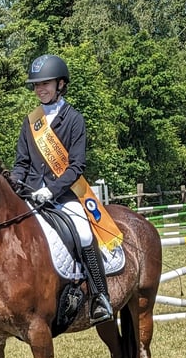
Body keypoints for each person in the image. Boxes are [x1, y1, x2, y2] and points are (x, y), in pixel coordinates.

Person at [10, 54, 113, 325]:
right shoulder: (30, 121)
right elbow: (21, 163)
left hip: (64, 194)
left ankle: (100, 297)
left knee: (83, 233)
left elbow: (76, 166)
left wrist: (52, 190)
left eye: (46, 83)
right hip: (30, 194)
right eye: (36, 85)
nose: (40, 89)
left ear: (61, 84)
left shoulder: (74, 120)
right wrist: (14, 185)